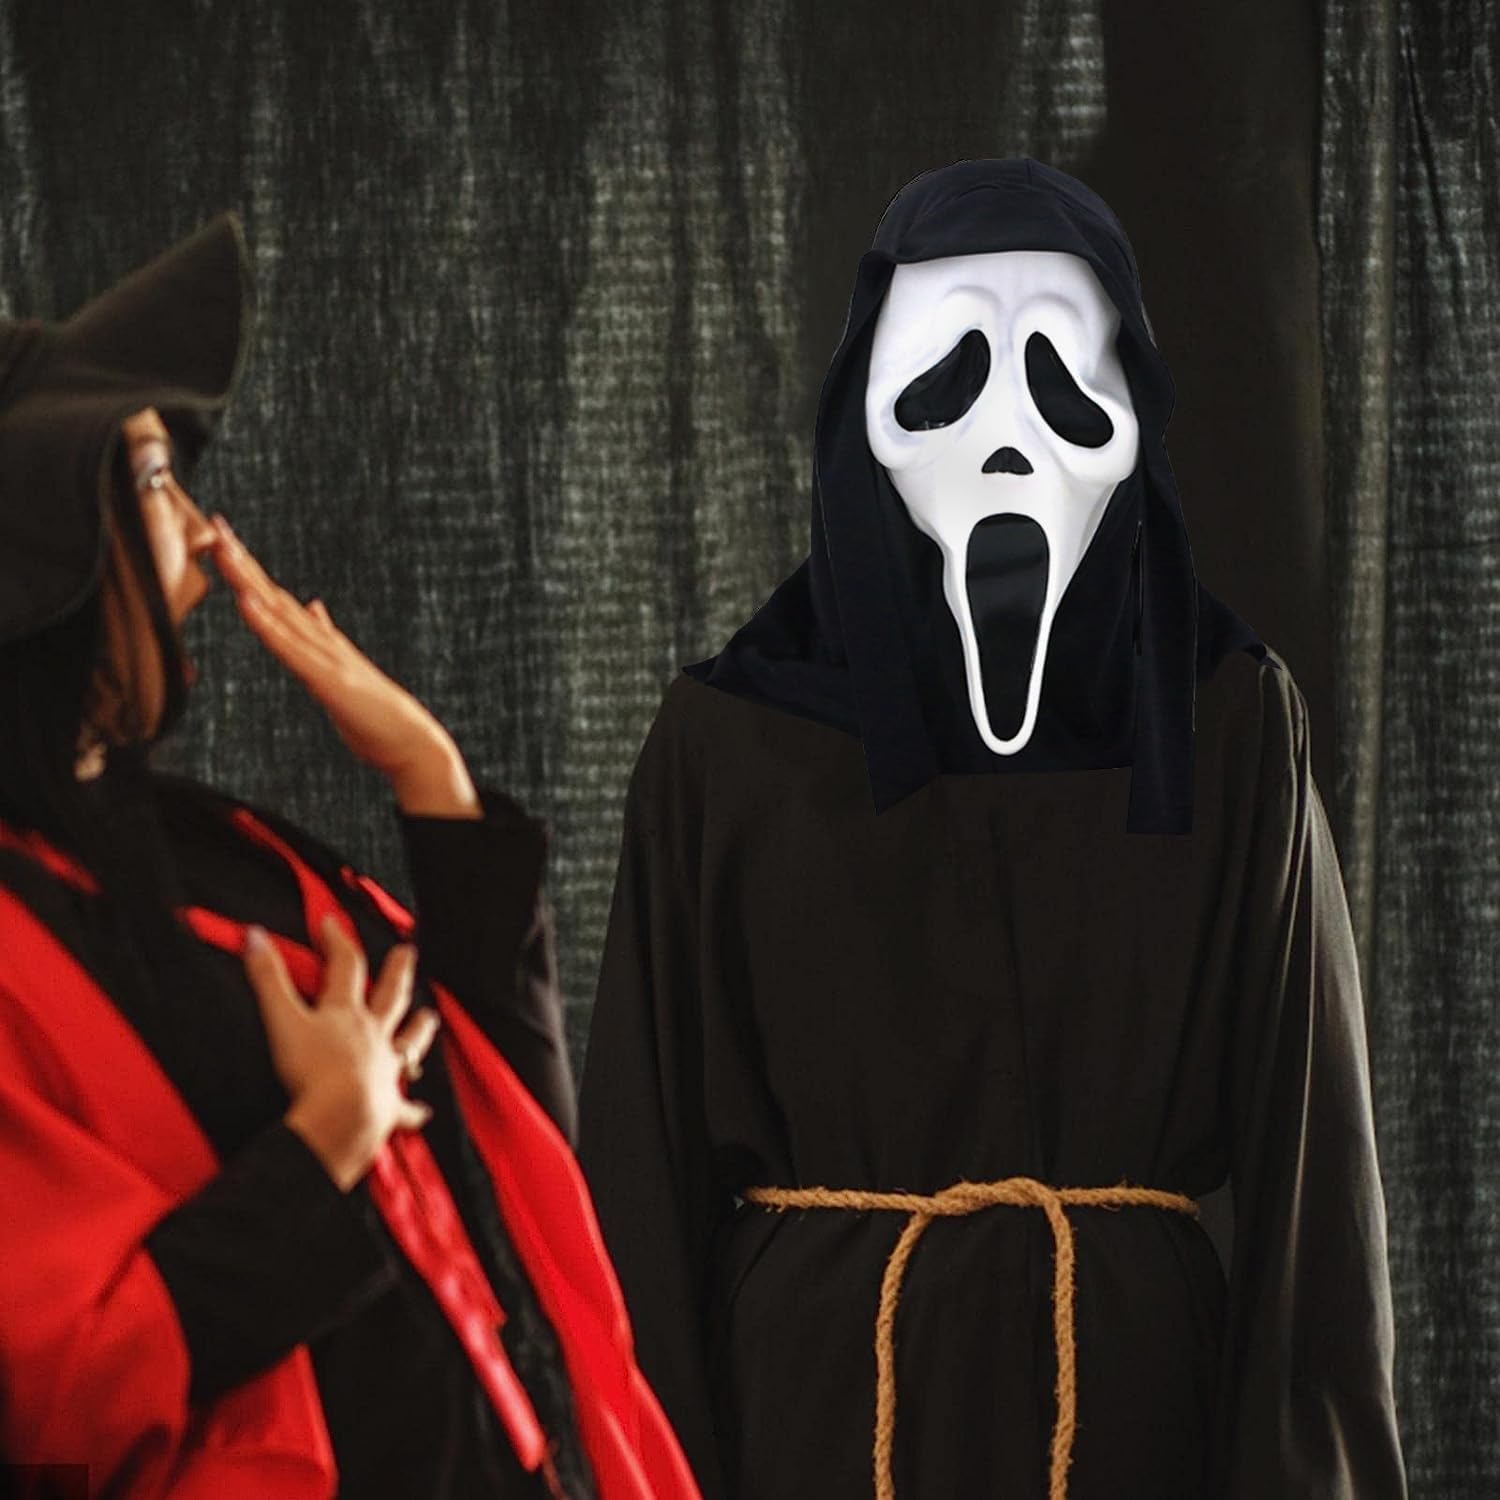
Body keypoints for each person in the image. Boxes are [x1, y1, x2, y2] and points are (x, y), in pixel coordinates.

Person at [576, 158, 1408, 1498]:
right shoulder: (729, 742)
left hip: (1136, 1435)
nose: (1011, 445)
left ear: (1135, 413)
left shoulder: (1229, 726)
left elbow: (1316, 1214)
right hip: (819, 1431)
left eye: (1066, 380)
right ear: (866, 417)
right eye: (948, 378)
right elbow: (636, 1197)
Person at [0, 214, 699, 1500]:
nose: (207, 533)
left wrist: (431, 781)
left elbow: (509, 1139)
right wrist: (327, 1141)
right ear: (46, 545)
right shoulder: (20, 952)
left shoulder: (225, 850)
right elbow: (64, 1401)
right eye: (152, 481)